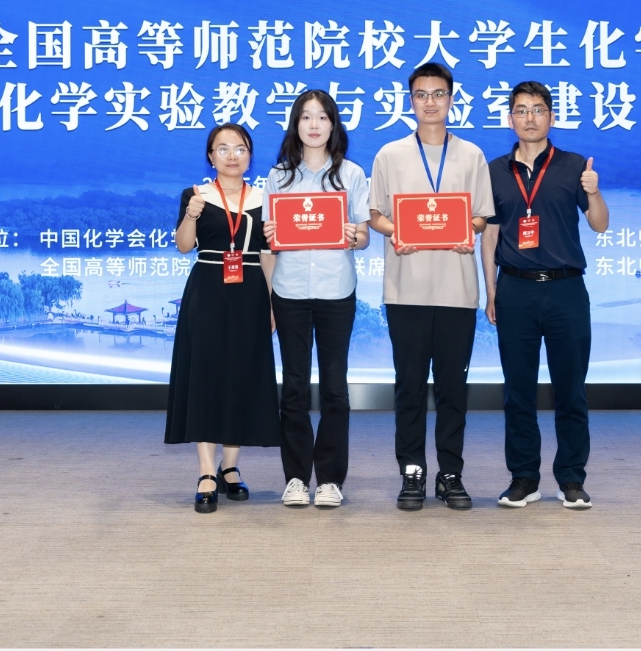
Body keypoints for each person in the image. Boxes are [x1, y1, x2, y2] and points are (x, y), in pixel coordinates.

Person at [368, 62, 495, 511]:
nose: (430, 102)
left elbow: (481, 216)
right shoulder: (390, 154)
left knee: (452, 390)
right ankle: (412, 472)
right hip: (405, 291)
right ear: (410, 101)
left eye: (438, 94)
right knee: (408, 387)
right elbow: (376, 215)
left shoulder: (472, 155)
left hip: (458, 292)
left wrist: (468, 230)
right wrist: (396, 231)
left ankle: (450, 473)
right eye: (421, 94)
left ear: (451, 99)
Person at [480, 81, 609, 510]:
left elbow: (600, 224)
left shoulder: (573, 165)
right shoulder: (495, 170)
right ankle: (523, 478)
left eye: (537, 109)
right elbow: (490, 235)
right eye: (521, 110)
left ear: (551, 117)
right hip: (515, 288)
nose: (529, 117)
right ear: (510, 119)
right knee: (517, 392)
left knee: (571, 390)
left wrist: (593, 191)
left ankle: (571, 478)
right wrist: (491, 290)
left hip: (566, 289)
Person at [261, 90, 370, 509]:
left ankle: (329, 479)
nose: (313, 124)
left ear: (333, 124)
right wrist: (271, 236)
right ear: (295, 124)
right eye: (305, 117)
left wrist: (353, 235)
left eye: (322, 117)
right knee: (293, 386)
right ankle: (295, 477)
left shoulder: (351, 174)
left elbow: (363, 236)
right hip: (289, 290)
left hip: (335, 289)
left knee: (334, 387)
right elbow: (270, 241)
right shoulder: (279, 177)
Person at [166, 123, 281, 513]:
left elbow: (268, 255)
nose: (233, 155)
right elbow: (184, 246)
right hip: (208, 291)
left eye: (240, 148)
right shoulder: (196, 195)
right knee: (207, 375)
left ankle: (230, 466)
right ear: (210, 156)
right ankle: (206, 471)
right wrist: (190, 217)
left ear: (250, 156)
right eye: (223, 148)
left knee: (242, 375)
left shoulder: (265, 198)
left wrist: (271, 303)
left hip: (250, 292)